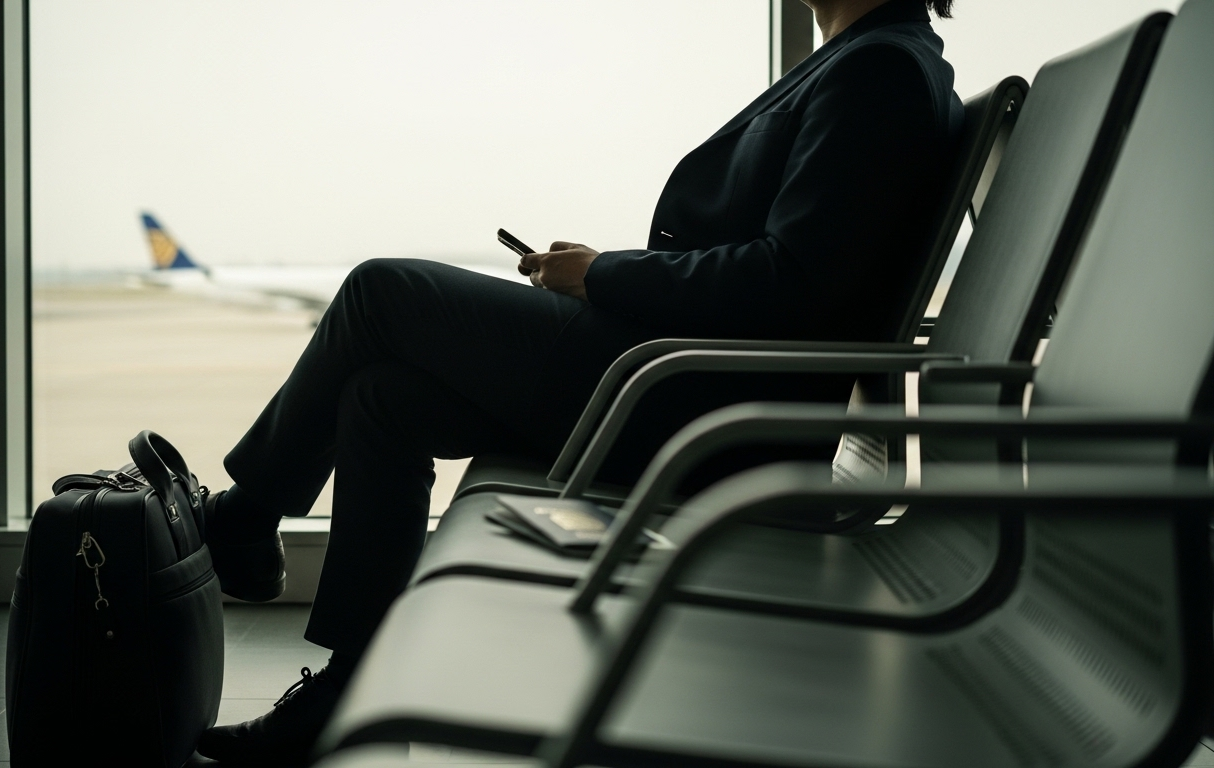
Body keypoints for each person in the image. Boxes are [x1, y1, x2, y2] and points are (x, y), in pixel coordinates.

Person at [197, 0, 963, 763]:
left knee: (382, 293)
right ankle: (348, 685)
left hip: (696, 407)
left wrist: (604, 276)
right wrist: (604, 275)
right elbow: (789, 271)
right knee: (383, 398)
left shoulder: (880, 70)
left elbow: (788, 282)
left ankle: (246, 517)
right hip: (682, 381)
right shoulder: (876, 59)